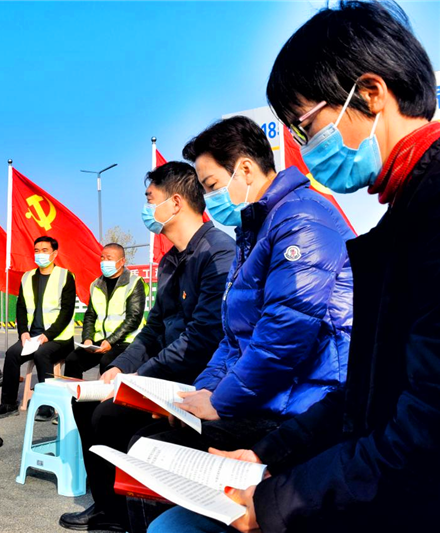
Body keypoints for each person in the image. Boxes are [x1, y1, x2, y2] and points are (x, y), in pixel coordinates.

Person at [150, 2, 440, 532]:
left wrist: (278, 500)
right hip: (353, 455)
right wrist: (268, 455)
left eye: (307, 127)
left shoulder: (427, 211)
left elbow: (424, 431)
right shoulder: (404, 213)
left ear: (370, 94)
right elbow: (366, 391)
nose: (306, 149)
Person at [126, 115, 356, 532]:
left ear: (245, 169)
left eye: (212, 185)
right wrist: (199, 393)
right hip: (268, 396)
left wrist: (219, 402)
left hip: (305, 406)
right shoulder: (255, 230)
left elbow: (283, 339)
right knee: (150, 443)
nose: (210, 198)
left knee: (154, 451)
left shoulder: (301, 220)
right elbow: (233, 340)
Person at [58, 161, 235, 531]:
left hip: (197, 379)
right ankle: (108, 507)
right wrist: (120, 367)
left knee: (112, 417)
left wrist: (139, 376)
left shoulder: (217, 252)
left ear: (175, 203)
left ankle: (126, 513)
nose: (146, 208)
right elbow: (153, 328)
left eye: (150, 199)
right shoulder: (169, 261)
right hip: (163, 374)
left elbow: (203, 337)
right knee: (85, 403)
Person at [0, 236, 76, 421]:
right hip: (32, 337)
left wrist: (48, 335)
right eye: (37, 251)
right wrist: (23, 332)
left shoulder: (65, 276)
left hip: (59, 338)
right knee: (12, 354)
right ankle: (8, 403)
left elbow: (67, 311)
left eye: (45, 250)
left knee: (42, 354)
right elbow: (21, 307)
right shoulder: (27, 277)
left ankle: (47, 405)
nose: (40, 254)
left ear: (54, 253)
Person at [63, 243, 147, 379]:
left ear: (122, 261)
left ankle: (107, 393)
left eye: (109, 258)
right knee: (72, 360)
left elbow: (134, 318)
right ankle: (75, 393)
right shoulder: (96, 284)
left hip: (127, 341)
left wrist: (110, 341)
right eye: (102, 258)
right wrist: (88, 339)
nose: (104, 262)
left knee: (107, 362)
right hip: (101, 340)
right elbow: (90, 315)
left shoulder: (134, 282)